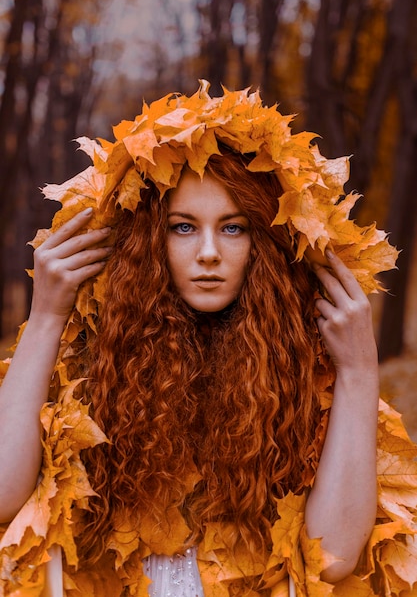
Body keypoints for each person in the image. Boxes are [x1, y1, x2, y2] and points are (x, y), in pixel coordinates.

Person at [0, 82, 415, 597]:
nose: (209, 253)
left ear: (265, 242)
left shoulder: (308, 373)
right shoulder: (95, 359)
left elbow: (330, 560)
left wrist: (358, 372)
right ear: (149, 240)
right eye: (182, 227)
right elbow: (2, 496)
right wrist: (45, 319)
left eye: (234, 228)